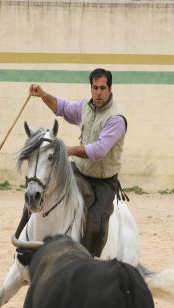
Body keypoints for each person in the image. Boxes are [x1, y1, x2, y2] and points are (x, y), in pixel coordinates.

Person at [29, 68, 128, 257]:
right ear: (91, 88)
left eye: (102, 88)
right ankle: (23, 245)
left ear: (110, 88)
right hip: (78, 171)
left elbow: (98, 151)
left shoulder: (116, 119)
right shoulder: (85, 106)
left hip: (102, 183)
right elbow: (63, 108)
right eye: (95, 88)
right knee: (38, 191)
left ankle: (88, 262)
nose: (98, 92)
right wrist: (42, 95)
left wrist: (69, 150)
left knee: (95, 226)